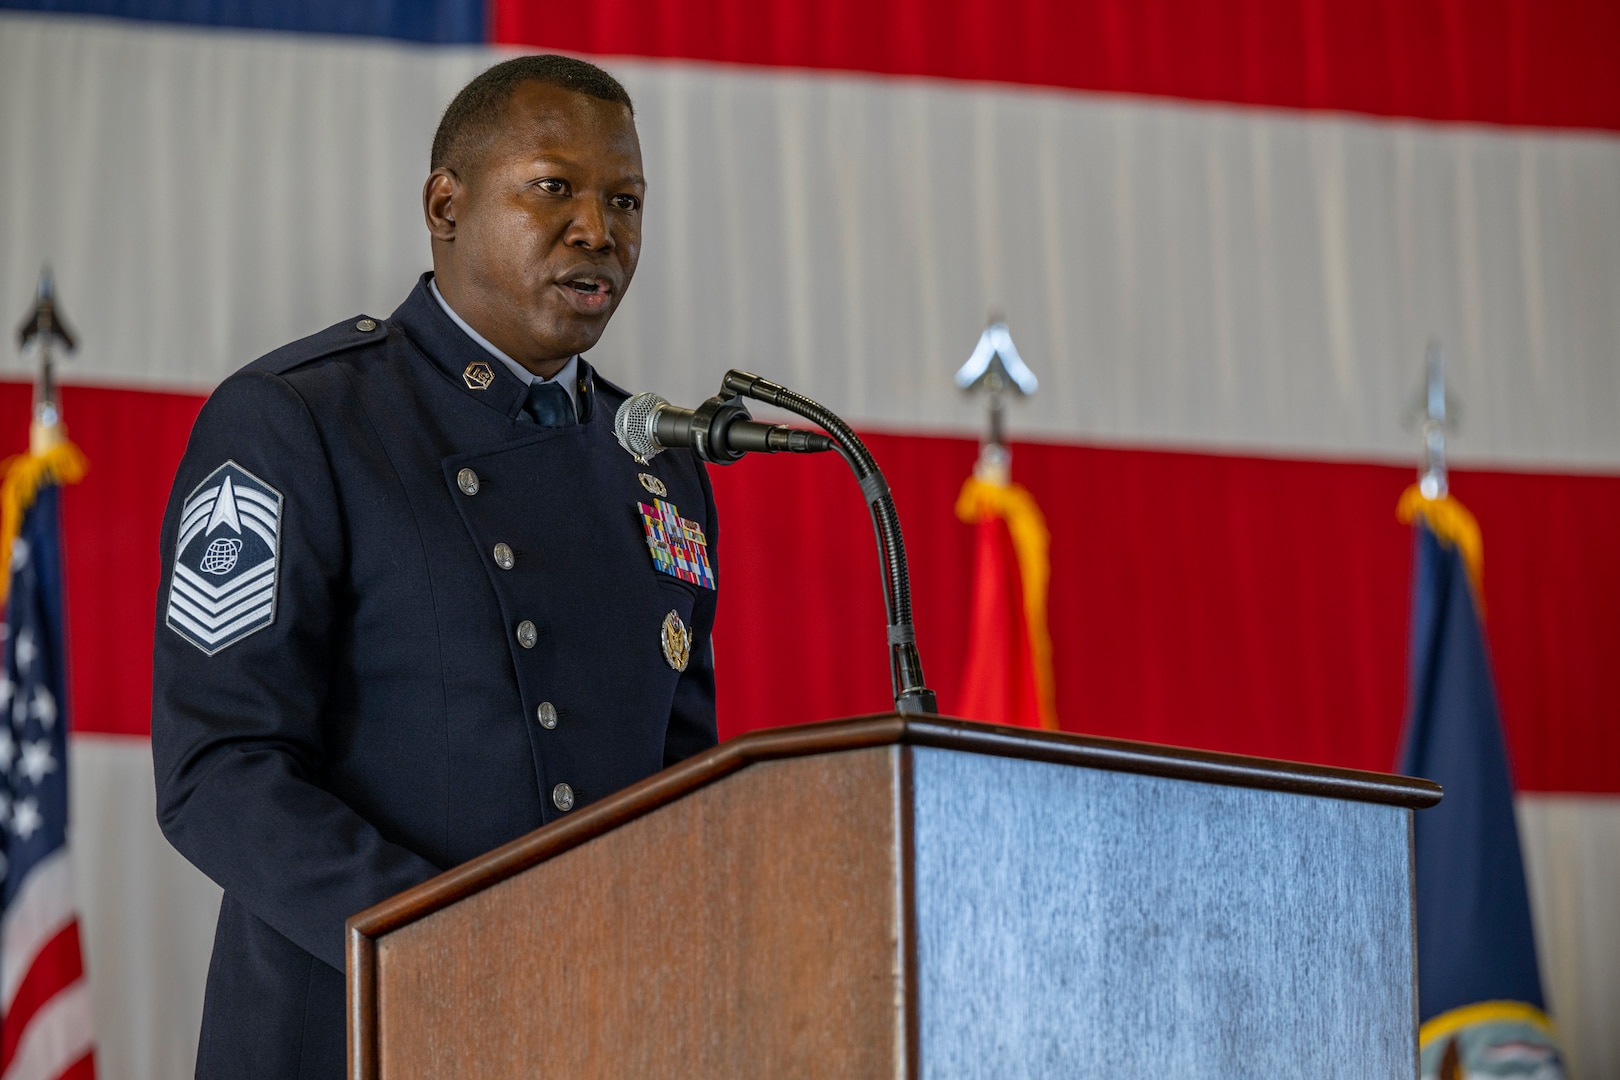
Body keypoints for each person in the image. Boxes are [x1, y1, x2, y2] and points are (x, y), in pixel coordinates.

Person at [151, 55, 719, 1079]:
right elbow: (219, 771)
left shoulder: (661, 466)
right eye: (554, 187)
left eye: (625, 199)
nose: (599, 229)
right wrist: (450, 942)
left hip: (589, 1038)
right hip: (355, 1030)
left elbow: (681, 793)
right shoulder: (297, 421)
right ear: (444, 204)